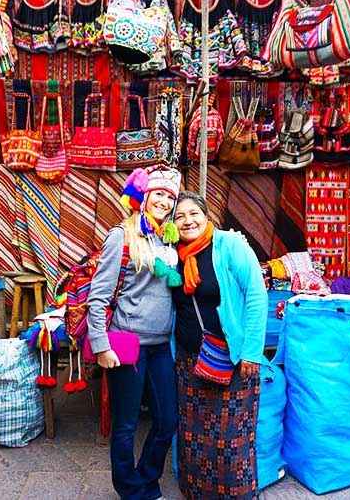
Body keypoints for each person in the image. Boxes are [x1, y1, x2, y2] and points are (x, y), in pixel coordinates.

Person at [86, 165, 183, 500]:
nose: (164, 202)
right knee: (126, 424)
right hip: (127, 343)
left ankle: (147, 477)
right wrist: (100, 344)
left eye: (170, 197)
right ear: (144, 196)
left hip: (159, 347)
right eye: (158, 194)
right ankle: (130, 490)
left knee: (167, 419)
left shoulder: (170, 241)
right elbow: (98, 295)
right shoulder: (122, 236)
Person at [171, 191, 268, 500]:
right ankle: (198, 493)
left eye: (193, 213)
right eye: (179, 216)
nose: (187, 221)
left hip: (232, 358)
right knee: (194, 435)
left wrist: (252, 351)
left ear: (206, 215)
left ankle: (236, 495)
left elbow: (256, 294)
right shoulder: (174, 255)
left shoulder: (230, 245)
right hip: (190, 360)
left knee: (230, 438)